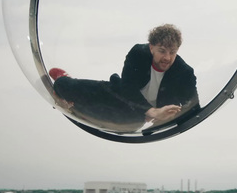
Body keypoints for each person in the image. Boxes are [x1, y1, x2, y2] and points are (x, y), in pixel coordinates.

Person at [49, 24, 199, 129]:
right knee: (64, 87)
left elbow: (192, 108)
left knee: (124, 122)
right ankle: (64, 78)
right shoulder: (138, 53)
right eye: (162, 51)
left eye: (172, 52)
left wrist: (168, 116)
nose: (167, 57)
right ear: (151, 47)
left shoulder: (184, 73)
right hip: (121, 94)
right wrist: (152, 111)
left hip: (134, 114)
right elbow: (128, 88)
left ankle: (79, 108)